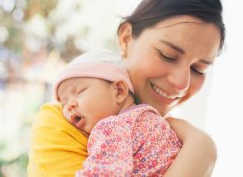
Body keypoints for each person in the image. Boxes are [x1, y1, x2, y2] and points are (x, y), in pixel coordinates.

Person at [28, 0, 225, 176]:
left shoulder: (173, 135)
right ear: (126, 38)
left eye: (199, 69)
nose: (182, 83)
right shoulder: (62, 121)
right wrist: (201, 152)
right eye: (167, 55)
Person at [54, 49, 182, 176]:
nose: (69, 106)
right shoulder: (153, 118)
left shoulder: (110, 127)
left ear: (119, 91)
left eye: (80, 91)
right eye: (64, 102)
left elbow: (106, 172)